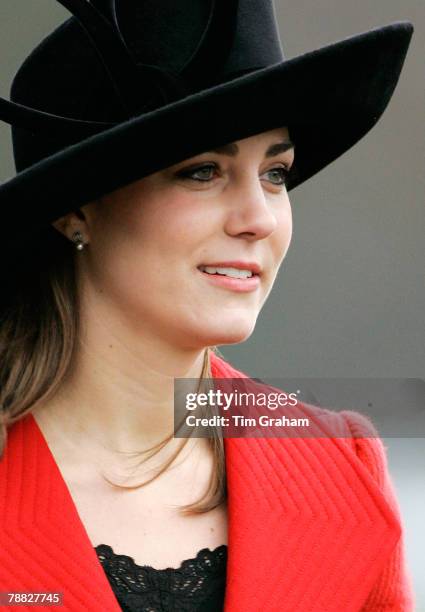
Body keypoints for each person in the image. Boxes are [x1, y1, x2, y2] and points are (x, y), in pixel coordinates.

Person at [0, 1, 416, 610]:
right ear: (76, 210)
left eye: (275, 173)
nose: (259, 219)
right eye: (202, 172)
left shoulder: (340, 471)